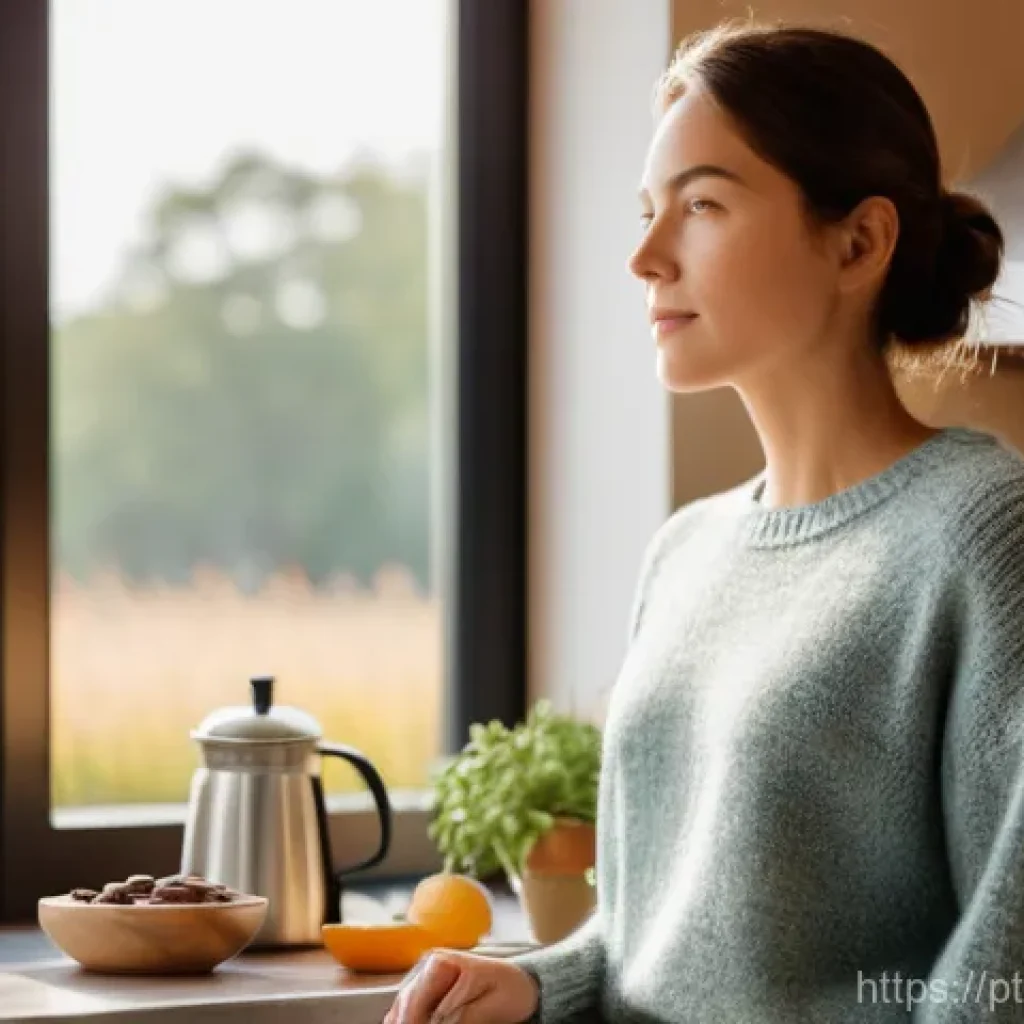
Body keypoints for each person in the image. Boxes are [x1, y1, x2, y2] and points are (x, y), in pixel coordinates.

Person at [384, 20, 1024, 1024]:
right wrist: (534, 982)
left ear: (859, 241)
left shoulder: (981, 532)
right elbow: (652, 932)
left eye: (702, 206)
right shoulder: (683, 553)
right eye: (647, 211)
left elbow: (1007, 957)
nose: (644, 255)